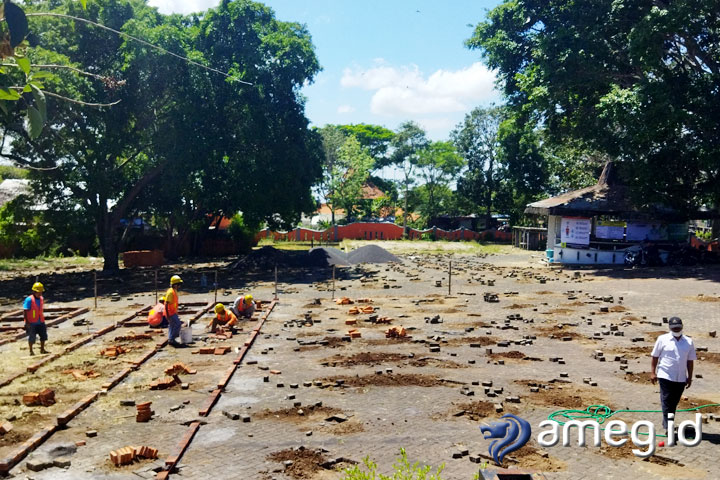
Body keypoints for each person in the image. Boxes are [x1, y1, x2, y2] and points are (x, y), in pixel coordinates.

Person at [650, 317, 697, 432]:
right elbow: (655, 356)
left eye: (678, 327)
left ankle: (666, 421)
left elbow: (690, 361)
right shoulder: (662, 339)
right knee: (666, 400)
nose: (676, 329)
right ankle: (668, 427)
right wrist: (652, 372)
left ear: (682, 326)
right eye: (674, 327)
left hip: (680, 378)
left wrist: (689, 377)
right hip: (665, 375)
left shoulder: (688, 342)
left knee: (674, 403)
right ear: (670, 327)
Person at [24, 282, 48, 356]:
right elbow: (25, 311)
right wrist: (27, 322)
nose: (40, 293)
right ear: (34, 291)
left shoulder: (41, 299)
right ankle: (31, 351)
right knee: (32, 337)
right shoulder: (29, 299)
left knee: (43, 336)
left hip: (40, 321)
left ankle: (42, 349)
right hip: (32, 322)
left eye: (41, 292)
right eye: (39, 292)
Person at [164, 275, 185, 347]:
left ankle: (171, 339)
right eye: (179, 284)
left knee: (172, 326)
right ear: (175, 284)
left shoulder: (174, 291)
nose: (179, 286)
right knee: (178, 324)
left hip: (173, 312)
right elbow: (166, 304)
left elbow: (174, 303)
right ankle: (172, 339)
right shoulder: (170, 292)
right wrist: (167, 315)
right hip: (170, 312)